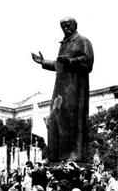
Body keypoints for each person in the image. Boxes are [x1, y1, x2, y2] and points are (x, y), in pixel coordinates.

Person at [31, 17, 94, 162]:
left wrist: (71, 61)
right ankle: (54, 155)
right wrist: (43, 62)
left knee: (72, 119)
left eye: (68, 25)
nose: (66, 28)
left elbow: (88, 62)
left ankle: (73, 154)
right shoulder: (64, 44)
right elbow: (59, 64)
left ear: (75, 25)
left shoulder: (82, 41)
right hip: (60, 88)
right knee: (55, 118)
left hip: (75, 87)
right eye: (63, 26)